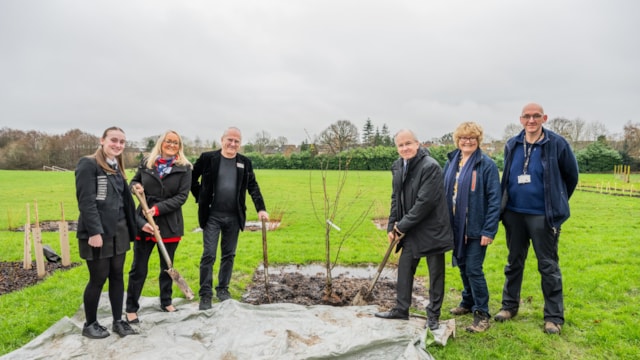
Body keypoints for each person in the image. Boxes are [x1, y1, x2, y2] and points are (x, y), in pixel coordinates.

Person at [494, 103, 579, 335]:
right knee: (513, 262)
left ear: (544, 118)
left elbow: (571, 176)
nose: (531, 120)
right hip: (514, 213)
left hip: (543, 216)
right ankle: (509, 306)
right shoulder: (512, 144)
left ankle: (553, 317)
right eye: (527, 116)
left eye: (536, 116)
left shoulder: (557, 144)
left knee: (548, 266)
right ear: (520, 119)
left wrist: (555, 202)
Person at [374, 129, 454, 330]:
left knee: (435, 274)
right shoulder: (398, 166)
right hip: (409, 229)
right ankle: (401, 310)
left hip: (431, 228)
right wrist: (392, 225)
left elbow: (424, 203)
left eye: (408, 143)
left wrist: (402, 225)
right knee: (405, 269)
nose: (404, 148)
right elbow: (396, 199)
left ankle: (433, 315)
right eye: (400, 145)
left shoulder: (431, 167)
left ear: (418, 144)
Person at [191, 127, 269, 310]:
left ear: (240, 144)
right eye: (230, 140)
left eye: (237, 141)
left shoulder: (244, 162)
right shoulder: (208, 158)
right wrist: (200, 198)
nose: (233, 144)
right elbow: (192, 179)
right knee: (209, 254)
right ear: (222, 140)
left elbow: (253, 186)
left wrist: (261, 209)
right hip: (212, 216)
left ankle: (223, 289)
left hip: (234, 217)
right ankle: (205, 294)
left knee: (229, 254)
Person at [75, 126, 141, 339]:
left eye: (122, 142)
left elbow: (126, 203)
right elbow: (86, 202)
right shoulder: (88, 164)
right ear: (102, 140)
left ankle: (117, 321)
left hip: (119, 232)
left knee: (117, 276)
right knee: (98, 278)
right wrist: (95, 232)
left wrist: (141, 225)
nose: (118, 145)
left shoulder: (117, 167)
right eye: (114, 140)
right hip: (98, 234)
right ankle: (90, 324)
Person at [125, 130, 193, 323]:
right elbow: (134, 181)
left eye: (176, 142)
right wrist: (136, 188)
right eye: (168, 141)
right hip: (144, 222)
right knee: (138, 267)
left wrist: (157, 209)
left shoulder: (185, 167)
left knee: (167, 266)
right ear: (161, 143)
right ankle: (131, 307)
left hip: (169, 222)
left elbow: (182, 197)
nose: (171, 144)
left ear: (180, 146)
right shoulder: (148, 162)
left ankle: (166, 301)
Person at [443, 122, 501, 333]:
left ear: (478, 141)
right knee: (461, 265)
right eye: (463, 138)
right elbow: (443, 194)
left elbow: (495, 200)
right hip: (457, 227)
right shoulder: (451, 162)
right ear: (457, 140)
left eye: (472, 138)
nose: (467, 141)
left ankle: (482, 313)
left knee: (474, 269)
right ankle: (467, 302)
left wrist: (489, 230)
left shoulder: (486, 165)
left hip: (476, 228)